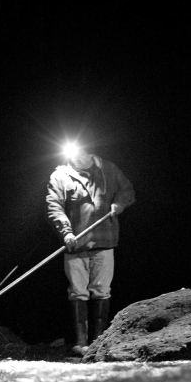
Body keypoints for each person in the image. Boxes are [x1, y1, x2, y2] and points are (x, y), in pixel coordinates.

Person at [46, 144, 135, 356]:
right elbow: (54, 206)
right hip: (75, 244)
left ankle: (99, 343)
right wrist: (66, 232)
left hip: (105, 241)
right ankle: (80, 343)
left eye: (78, 154)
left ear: (86, 151)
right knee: (78, 292)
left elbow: (127, 190)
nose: (75, 159)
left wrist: (119, 204)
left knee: (102, 291)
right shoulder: (60, 175)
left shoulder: (108, 169)